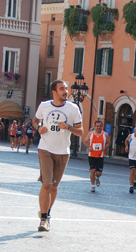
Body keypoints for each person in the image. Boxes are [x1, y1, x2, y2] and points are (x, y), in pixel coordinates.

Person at [33, 80, 83, 232]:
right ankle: (43, 219)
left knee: (54, 186)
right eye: (62, 89)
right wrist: (39, 128)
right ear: (54, 92)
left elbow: (81, 131)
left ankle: (47, 213)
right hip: (45, 149)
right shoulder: (44, 106)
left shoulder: (73, 108)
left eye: (66, 89)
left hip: (63, 151)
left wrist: (68, 127)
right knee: (47, 184)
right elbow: (35, 121)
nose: (65, 91)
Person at [83, 120, 110, 193]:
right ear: (95, 126)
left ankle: (97, 177)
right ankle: (92, 186)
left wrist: (105, 147)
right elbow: (85, 141)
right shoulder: (91, 134)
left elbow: (108, 143)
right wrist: (88, 147)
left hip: (100, 156)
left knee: (98, 173)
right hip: (92, 155)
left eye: (100, 126)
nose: (98, 127)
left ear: (102, 127)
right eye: (97, 126)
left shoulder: (105, 135)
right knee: (92, 170)